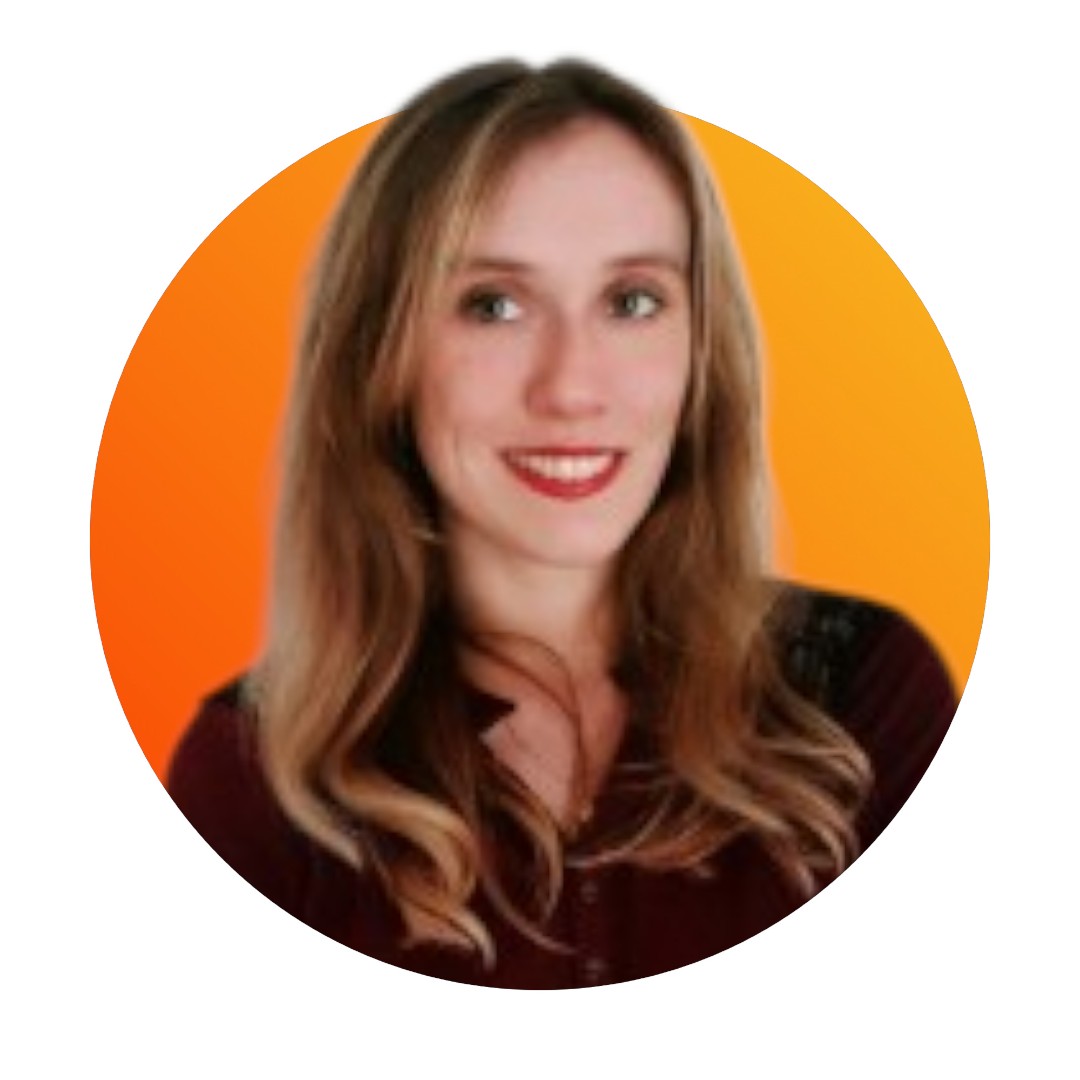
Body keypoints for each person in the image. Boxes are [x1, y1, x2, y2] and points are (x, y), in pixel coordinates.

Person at [167, 59, 957, 989]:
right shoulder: (252, 780)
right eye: (493, 306)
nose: (572, 388)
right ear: (381, 357)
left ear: (701, 351)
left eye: (632, 301)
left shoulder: (862, 701)